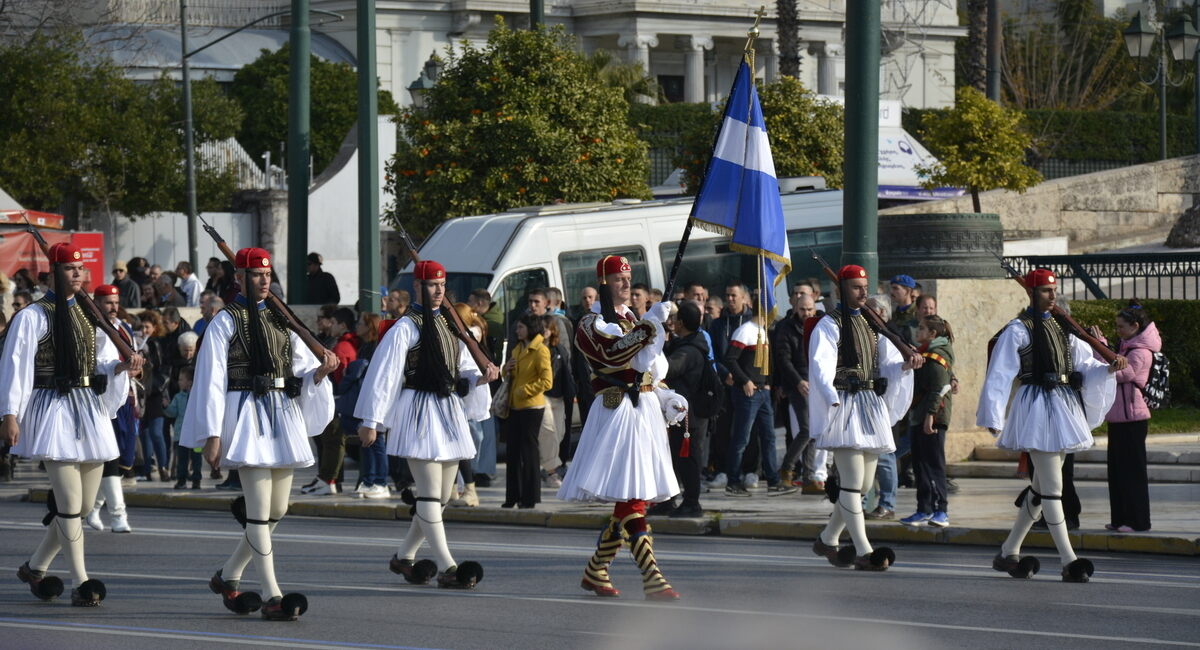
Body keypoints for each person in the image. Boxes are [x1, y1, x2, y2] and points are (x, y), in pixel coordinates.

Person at [181, 246, 337, 620]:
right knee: (258, 511)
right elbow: (211, 381)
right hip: (245, 412)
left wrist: (318, 372)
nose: (264, 280)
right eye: (255, 275)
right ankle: (272, 594)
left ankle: (229, 574)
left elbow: (300, 364)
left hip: (281, 414)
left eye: (267, 275)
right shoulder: (224, 321)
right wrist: (213, 434)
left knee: (277, 509)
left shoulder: (283, 318)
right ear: (239, 279)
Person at [2, 243, 141, 606]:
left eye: (80, 269)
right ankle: (82, 581)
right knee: (69, 503)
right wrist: (10, 414)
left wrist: (121, 369)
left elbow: (105, 362)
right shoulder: (32, 316)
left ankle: (35, 567)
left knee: (78, 507)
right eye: (69, 269)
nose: (77, 274)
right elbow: (16, 369)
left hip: (88, 410)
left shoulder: (91, 315)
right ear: (52, 273)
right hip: (52, 410)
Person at [355, 259, 499, 590]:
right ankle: (449, 566)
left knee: (442, 497)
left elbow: (463, 368)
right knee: (431, 495)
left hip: (447, 410)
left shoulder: (452, 325)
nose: (438, 291)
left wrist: (482, 376)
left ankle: (404, 556)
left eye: (442, 285)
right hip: (418, 410)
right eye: (432, 285)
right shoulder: (406, 327)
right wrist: (371, 419)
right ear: (418, 287)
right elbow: (385, 375)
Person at [978, 268, 1122, 583]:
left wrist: (1108, 367)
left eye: (1052, 290)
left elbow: (1085, 365)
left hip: (1063, 406)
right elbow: (1000, 373)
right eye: (1044, 291)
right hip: (1037, 408)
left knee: (1042, 488)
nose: (1052, 296)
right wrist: (992, 414)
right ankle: (1069, 561)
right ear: (1031, 294)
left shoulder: (1065, 328)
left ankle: (1008, 552)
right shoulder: (1018, 329)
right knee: (1053, 488)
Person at [559, 255, 686, 600]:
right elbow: (613, 354)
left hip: (644, 411)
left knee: (636, 495)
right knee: (633, 497)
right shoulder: (591, 322)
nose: (627, 285)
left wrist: (667, 396)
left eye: (629, 278)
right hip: (618, 412)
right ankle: (652, 576)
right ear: (603, 284)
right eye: (618, 279)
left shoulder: (632, 318)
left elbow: (651, 371)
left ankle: (596, 570)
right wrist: (651, 327)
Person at [809, 264, 917, 572]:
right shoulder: (829, 324)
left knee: (864, 483)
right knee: (854, 484)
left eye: (864, 286)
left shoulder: (873, 325)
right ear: (842, 289)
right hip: (844, 403)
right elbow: (821, 365)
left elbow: (888, 365)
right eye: (856, 287)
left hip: (869, 404)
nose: (862, 292)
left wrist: (907, 364)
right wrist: (831, 399)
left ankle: (828, 538)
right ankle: (863, 550)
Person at [84, 284, 139, 534]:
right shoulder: (93, 329)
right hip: (101, 400)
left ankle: (93, 508)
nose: (114, 308)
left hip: (125, 399)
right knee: (111, 459)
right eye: (108, 303)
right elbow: (95, 363)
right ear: (97, 302)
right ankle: (118, 515)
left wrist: (134, 366)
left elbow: (132, 362)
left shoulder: (123, 328)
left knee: (124, 457)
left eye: (116, 302)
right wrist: (118, 367)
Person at [1102, 300, 1159, 533]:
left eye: (1121, 327)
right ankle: (1120, 518)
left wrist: (1101, 346)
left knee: (1132, 472)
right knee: (1116, 471)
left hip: (1133, 419)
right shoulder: (1125, 348)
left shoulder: (1140, 352)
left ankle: (1138, 521)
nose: (1118, 331)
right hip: (1118, 418)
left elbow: (1121, 374)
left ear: (1135, 326)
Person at [899, 315, 955, 528]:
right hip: (919, 415)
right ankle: (924, 509)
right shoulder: (925, 352)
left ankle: (942, 510)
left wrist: (930, 416)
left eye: (921, 328)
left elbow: (938, 389)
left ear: (933, 334)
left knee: (934, 464)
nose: (917, 332)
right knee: (920, 464)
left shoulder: (937, 355)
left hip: (932, 417)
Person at [775, 293, 827, 494]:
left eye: (810, 309)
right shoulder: (786, 328)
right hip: (797, 384)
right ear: (796, 308)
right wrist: (798, 381)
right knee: (806, 430)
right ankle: (787, 469)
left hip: (816, 382)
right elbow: (783, 359)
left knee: (814, 431)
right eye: (803, 309)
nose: (806, 313)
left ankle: (809, 476)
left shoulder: (819, 326)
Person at [661, 301, 709, 518]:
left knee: (687, 459)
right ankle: (668, 499)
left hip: (689, 415)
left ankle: (692, 502)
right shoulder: (688, 343)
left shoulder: (690, 350)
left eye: (675, 319)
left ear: (681, 322)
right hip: (680, 412)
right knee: (673, 457)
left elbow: (669, 369)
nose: (672, 323)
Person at [502, 313, 553, 508]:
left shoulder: (540, 350)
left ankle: (530, 497)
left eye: (521, 327)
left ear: (530, 328)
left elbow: (547, 381)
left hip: (532, 406)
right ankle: (512, 496)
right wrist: (506, 369)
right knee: (512, 452)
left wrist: (525, 390)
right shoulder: (517, 348)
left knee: (529, 451)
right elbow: (508, 375)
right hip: (514, 406)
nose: (517, 330)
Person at [449, 303, 491, 508]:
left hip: (465, 392)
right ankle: (455, 487)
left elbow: (465, 365)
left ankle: (465, 487)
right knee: (459, 443)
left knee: (465, 442)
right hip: (462, 391)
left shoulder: (466, 336)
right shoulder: (464, 336)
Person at [166, 365, 200, 489]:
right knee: (182, 459)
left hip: (197, 436)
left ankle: (197, 479)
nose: (179, 382)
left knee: (197, 458)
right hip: (181, 436)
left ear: (190, 382)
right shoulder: (178, 397)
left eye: (181, 379)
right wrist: (166, 407)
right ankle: (182, 480)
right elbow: (172, 412)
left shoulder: (197, 396)